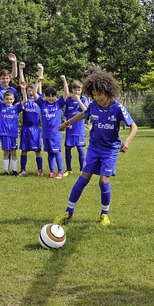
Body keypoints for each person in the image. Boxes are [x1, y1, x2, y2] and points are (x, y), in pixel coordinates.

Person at [53, 70, 137, 227]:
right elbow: (84, 114)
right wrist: (67, 123)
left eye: (100, 94)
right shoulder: (93, 105)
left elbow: (134, 126)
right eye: (94, 95)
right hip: (94, 147)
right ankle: (68, 212)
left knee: (103, 180)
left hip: (110, 149)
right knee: (83, 177)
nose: (97, 98)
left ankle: (104, 214)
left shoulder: (117, 107)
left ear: (107, 90)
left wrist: (127, 141)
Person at [36, 74, 71, 179]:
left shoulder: (58, 103)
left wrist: (64, 80)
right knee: (50, 153)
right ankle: (52, 171)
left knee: (57, 152)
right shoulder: (43, 103)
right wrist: (37, 81)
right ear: (46, 96)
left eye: (53, 96)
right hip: (46, 133)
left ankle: (60, 172)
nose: (51, 98)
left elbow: (66, 93)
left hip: (55, 133)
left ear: (55, 96)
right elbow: (34, 93)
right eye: (48, 96)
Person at [0, 77, 24, 175]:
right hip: (4, 133)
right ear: (4, 99)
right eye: (7, 99)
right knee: (6, 152)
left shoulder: (16, 107)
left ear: (14, 99)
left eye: (11, 99)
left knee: (14, 152)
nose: (9, 100)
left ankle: (14, 170)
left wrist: (23, 90)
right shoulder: (1, 106)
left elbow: (25, 100)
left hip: (13, 134)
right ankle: (6, 171)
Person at [18, 62, 44, 176]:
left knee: (38, 150)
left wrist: (41, 70)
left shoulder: (39, 99)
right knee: (24, 150)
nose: (30, 92)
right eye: (28, 91)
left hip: (36, 128)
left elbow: (40, 82)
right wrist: (21, 70)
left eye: (32, 91)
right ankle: (23, 169)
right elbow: (22, 84)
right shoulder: (25, 100)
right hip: (25, 128)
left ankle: (40, 170)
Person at [63, 79, 89, 176]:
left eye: (79, 90)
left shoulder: (83, 99)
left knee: (80, 149)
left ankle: (82, 169)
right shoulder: (68, 100)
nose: (77, 92)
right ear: (72, 90)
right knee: (67, 149)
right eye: (75, 90)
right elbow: (65, 114)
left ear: (81, 90)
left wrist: (78, 99)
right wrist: (66, 123)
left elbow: (86, 111)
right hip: (70, 130)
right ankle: (68, 170)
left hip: (79, 129)